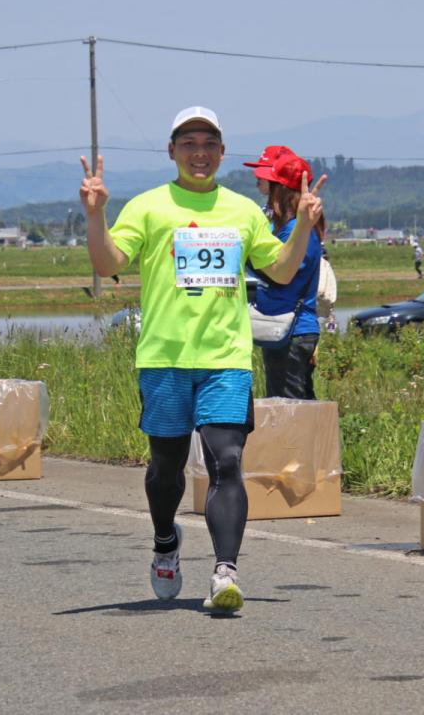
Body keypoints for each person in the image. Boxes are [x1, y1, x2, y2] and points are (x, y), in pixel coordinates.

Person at [80, 106, 325, 614]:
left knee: (227, 461)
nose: (199, 152)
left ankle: (224, 571)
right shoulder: (148, 207)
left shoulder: (241, 211)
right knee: (166, 468)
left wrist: (301, 226)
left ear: (221, 152)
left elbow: (279, 272)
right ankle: (166, 541)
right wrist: (96, 213)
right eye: (188, 143)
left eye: (209, 143)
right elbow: (108, 263)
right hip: (165, 358)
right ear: (171, 151)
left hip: (225, 358)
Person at [253, 151, 324, 401]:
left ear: (280, 190)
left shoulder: (297, 231)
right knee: (298, 402)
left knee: (291, 409)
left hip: (291, 329)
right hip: (288, 329)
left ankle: (306, 442)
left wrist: (249, 259)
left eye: (266, 182)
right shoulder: (295, 228)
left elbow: (282, 275)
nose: (258, 184)